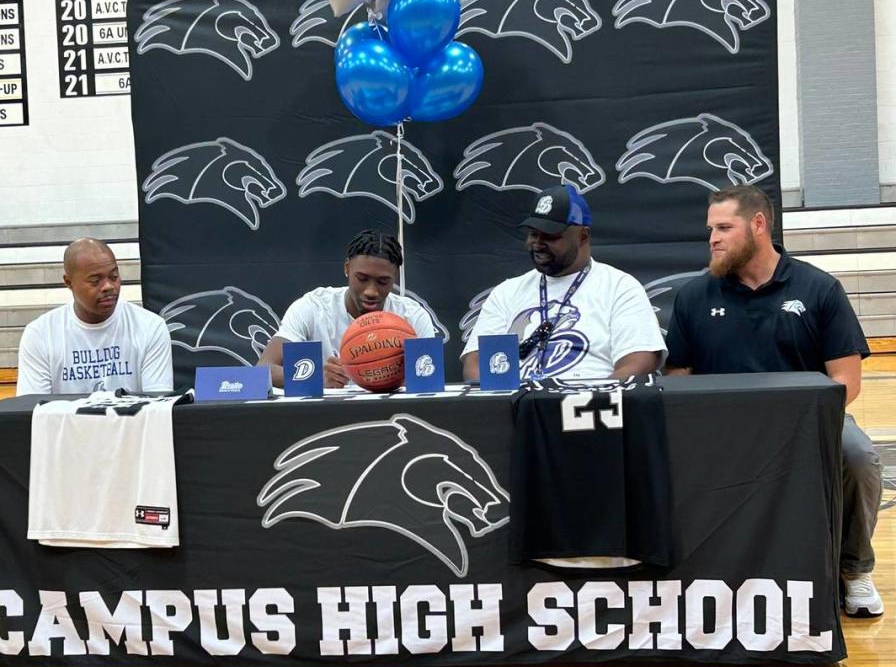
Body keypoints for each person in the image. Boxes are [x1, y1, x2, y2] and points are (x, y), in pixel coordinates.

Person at [665, 185, 883, 618]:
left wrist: (800, 418)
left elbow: (846, 380)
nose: (713, 239)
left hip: (805, 422)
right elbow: (677, 377)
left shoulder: (818, 288)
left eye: (724, 227)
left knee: (857, 455)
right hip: (721, 427)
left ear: (759, 225)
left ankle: (854, 568)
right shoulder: (694, 296)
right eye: (711, 229)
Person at [462, 185, 666, 381]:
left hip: (588, 407)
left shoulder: (619, 287)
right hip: (518, 406)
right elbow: (477, 363)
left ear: (583, 236)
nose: (537, 244)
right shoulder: (507, 292)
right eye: (533, 234)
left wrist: (593, 400)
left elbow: (639, 360)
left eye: (550, 236)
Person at [259, 230, 437, 388]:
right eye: (362, 278)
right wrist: (315, 378)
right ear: (347, 268)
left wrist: (392, 378)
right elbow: (263, 369)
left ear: (395, 277)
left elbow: (429, 377)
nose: (371, 291)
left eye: (383, 281)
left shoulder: (413, 316)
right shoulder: (312, 307)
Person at [16, 238, 174, 395]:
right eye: (95, 281)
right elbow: (32, 411)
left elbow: (158, 408)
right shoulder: (40, 334)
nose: (108, 287)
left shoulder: (150, 327)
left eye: (114, 277)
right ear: (69, 282)